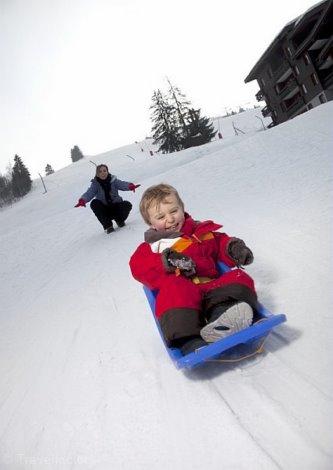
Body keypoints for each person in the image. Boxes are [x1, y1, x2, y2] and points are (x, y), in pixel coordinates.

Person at [129, 183, 258, 356]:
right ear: (150, 223)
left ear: (182, 208)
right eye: (160, 216)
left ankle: (222, 318)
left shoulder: (200, 232)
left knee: (238, 276)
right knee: (174, 291)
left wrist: (233, 248)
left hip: (212, 288)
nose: (170, 219)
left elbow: (219, 243)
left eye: (174, 211)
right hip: (184, 293)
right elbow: (138, 266)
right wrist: (167, 260)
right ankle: (190, 341)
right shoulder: (153, 246)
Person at [75, 164, 140, 233]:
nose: (103, 173)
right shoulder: (95, 184)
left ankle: (119, 220)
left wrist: (130, 186)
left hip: (116, 206)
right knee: (94, 203)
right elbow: (89, 193)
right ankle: (108, 226)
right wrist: (83, 200)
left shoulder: (113, 180)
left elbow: (122, 184)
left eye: (104, 171)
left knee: (127, 204)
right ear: (97, 174)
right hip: (104, 210)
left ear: (107, 172)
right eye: (100, 171)